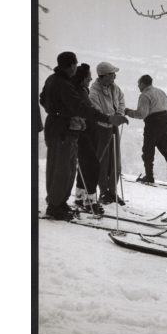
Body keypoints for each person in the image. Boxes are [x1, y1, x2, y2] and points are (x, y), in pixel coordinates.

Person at [39, 52, 127, 220]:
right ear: (71, 65)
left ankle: (59, 203)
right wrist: (107, 118)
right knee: (62, 170)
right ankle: (55, 205)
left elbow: (43, 99)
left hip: (64, 129)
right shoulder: (63, 84)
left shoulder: (55, 80)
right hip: (63, 130)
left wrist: (56, 111)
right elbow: (81, 108)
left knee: (68, 168)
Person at [125, 74, 167, 186]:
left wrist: (128, 112)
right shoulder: (160, 92)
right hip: (166, 121)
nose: (138, 87)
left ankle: (149, 176)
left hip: (153, 123)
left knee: (148, 150)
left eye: (138, 84)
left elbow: (142, 114)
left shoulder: (144, 95)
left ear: (143, 83)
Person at [90, 62, 127, 204]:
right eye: (112, 74)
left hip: (113, 127)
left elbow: (121, 101)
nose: (115, 76)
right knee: (103, 162)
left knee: (115, 161)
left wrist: (119, 114)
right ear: (104, 76)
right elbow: (97, 113)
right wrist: (112, 120)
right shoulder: (94, 92)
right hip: (101, 129)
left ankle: (112, 192)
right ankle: (104, 192)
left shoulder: (114, 88)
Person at [71, 64, 105, 215]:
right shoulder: (78, 92)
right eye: (88, 76)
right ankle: (90, 201)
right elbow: (87, 111)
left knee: (85, 165)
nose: (91, 78)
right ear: (82, 78)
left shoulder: (82, 90)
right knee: (93, 165)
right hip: (83, 131)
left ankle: (80, 196)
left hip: (88, 131)